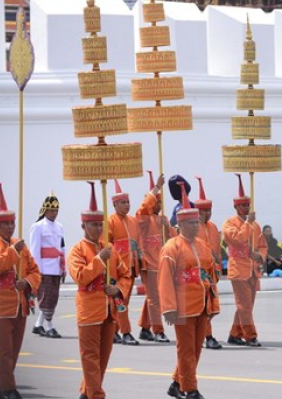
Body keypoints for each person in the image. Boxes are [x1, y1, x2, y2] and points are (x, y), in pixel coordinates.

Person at [68, 182, 132, 399]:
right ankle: (96, 395)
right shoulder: (77, 250)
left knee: (102, 358)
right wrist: (98, 260)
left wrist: (118, 289)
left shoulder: (110, 248)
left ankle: (87, 393)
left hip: (109, 310)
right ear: (84, 226)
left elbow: (125, 274)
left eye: (100, 225)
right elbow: (81, 276)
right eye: (94, 225)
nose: (98, 229)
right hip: (89, 312)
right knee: (90, 357)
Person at [0, 182, 41, 399]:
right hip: (0, 306)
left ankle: (0, 385)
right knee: (3, 351)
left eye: (12, 223)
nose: (10, 227)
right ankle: (8, 389)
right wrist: (13, 253)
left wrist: (28, 281)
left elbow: (35, 271)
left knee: (14, 351)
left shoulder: (20, 245)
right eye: (5, 224)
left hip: (21, 305)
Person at [160, 182, 220, 399]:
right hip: (183, 307)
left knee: (195, 350)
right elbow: (165, 280)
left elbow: (210, 277)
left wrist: (214, 304)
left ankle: (177, 383)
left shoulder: (203, 246)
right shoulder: (171, 248)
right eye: (191, 223)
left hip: (202, 305)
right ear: (181, 224)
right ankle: (189, 389)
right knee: (185, 350)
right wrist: (168, 308)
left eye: (197, 222)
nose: (196, 226)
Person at [222, 174, 267, 347]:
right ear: (235, 206)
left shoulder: (256, 225)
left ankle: (235, 334)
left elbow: (262, 245)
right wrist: (248, 223)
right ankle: (250, 336)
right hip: (238, 269)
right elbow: (238, 239)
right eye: (242, 205)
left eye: (248, 204)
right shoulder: (229, 224)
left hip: (253, 269)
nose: (246, 207)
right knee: (244, 306)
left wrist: (260, 256)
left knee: (246, 306)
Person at [136, 171, 174, 343]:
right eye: (156, 201)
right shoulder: (143, 219)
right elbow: (143, 208)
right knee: (155, 298)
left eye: (160, 202)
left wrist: (167, 226)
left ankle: (145, 328)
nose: (159, 205)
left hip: (161, 264)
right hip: (149, 264)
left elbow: (174, 240)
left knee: (153, 297)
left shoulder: (162, 219)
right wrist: (157, 187)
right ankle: (158, 330)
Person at [107, 179, 140, 345]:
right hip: (118, 269)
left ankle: (113, 332)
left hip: (131, 267)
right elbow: (107, 245)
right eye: (123, 202)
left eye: (128, 202)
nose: (127, 205)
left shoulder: (133, 221)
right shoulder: (110, 221)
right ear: (115, 204)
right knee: (120, 301)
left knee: (123, 301)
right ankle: (125, 332)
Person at [28, 191, 64, 339]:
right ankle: (49, 327)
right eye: (51, 210)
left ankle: (38, 325)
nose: (54, 213)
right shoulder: (37, 226)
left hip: (56, 267)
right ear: (45, 210)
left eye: (56, 210)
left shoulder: (60, 226)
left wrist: (64, 267)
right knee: (46, 298)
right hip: (44, 268)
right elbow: (34, 250)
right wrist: (37, 271)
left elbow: (62, 247)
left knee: (52, 298)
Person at [195, 176, 223, 350]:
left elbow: (217, 252)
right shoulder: (191, 227)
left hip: (212, 273)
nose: (207, 214)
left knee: (210, 307)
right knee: (203, 306)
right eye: (204, 211)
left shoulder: (213, 227)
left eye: (209, 210)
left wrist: (219, 268)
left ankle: (203, 333)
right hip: (197, 274)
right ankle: (208, 336)